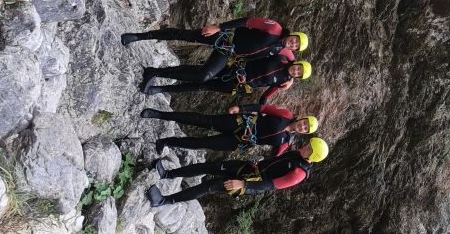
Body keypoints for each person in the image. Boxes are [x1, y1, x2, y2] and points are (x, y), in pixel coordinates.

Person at [120, 18, 309, 92]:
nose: (292, 43)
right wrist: (218, 27)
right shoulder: (274, 28)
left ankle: (154, 72)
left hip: (229, 53)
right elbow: (247, 21)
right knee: (187, 35)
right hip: (227, 37)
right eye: (295, 40)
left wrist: (291, 80)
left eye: (296, 46)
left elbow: (293, 64)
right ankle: (139, 36)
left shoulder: (282, 50)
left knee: (204, 76)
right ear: (292, 34)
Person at [146, 138, 329, 207]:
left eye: (309, 149)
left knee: (209, 186)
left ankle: (163, 201)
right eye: (308, 145)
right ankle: (167, 174)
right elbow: (277, 159)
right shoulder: (298, 155)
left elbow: (271, 185)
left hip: (250, 182)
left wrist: (244, 185)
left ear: (313, 156)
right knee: (209, 166)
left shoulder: (299, 173)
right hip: (250, 167)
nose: (305, 147)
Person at [140, 103, 318, 153]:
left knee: (204, 143)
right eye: (304, 123)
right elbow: (263, 108)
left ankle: (166, 142)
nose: (302, 127)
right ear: (302, 118)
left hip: (240, 141)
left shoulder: (286, 142)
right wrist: (241, 108)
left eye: (305, 129)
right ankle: (159, 114)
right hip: (241, 122)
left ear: (304, 133)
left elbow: (274, 157)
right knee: (203, 120)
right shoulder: (285, 114)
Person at [141, 55, 312, 98]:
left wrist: (263, 105)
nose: (296, 71)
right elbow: (260, 53)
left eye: (298, 74)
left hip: (239, 86)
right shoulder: (282, 58)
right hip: (237, 68)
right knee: (200, 73)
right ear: (297, 63)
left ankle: (161, 89)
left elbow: (268, 93)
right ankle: (157, 72)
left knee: (202, 87)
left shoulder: (284, 81)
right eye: (298, 68)